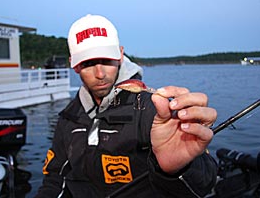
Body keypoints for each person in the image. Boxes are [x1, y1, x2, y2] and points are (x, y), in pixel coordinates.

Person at [35, 14, 218, 198]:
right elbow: (54, 179)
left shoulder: (155, 112)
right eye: (88, 63)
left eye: (107, 60)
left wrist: (181, 168)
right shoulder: (68, 117)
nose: (100, 74)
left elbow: (203, 184)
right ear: (74, 65)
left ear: (120, 55)